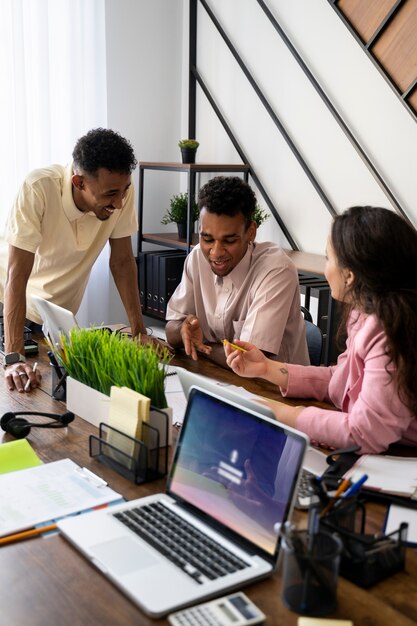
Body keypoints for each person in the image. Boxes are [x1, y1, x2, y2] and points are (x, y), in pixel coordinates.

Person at [225, 205, 417, 454]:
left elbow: (364, 433)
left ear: (349, 276)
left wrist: (288, 415)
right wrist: (265, 368)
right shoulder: (364, 313)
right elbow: (340, 381)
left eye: (328, 258)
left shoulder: (390, 333)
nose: (326, 268)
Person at [1, 128, 159, 393]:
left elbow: (121, 262)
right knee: (16, 393)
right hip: (8, 309)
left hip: (52, 319)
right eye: (110, 194)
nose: (119, 203)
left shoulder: (120, 193)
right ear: (79, 182)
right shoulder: (38, 188)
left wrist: (139, 332)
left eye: (125, 190)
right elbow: (17, 274)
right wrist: (14, 358)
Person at [165, 176, 309, 366]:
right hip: (221, 377)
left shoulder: (276, 270)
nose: (215, 252)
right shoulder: (197, 257)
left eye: (229, 241)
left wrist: (201, 344)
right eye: (207, 239)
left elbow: (249, 361)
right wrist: (182, 329)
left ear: (251, 232)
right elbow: (171, 328)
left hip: (276, 390)